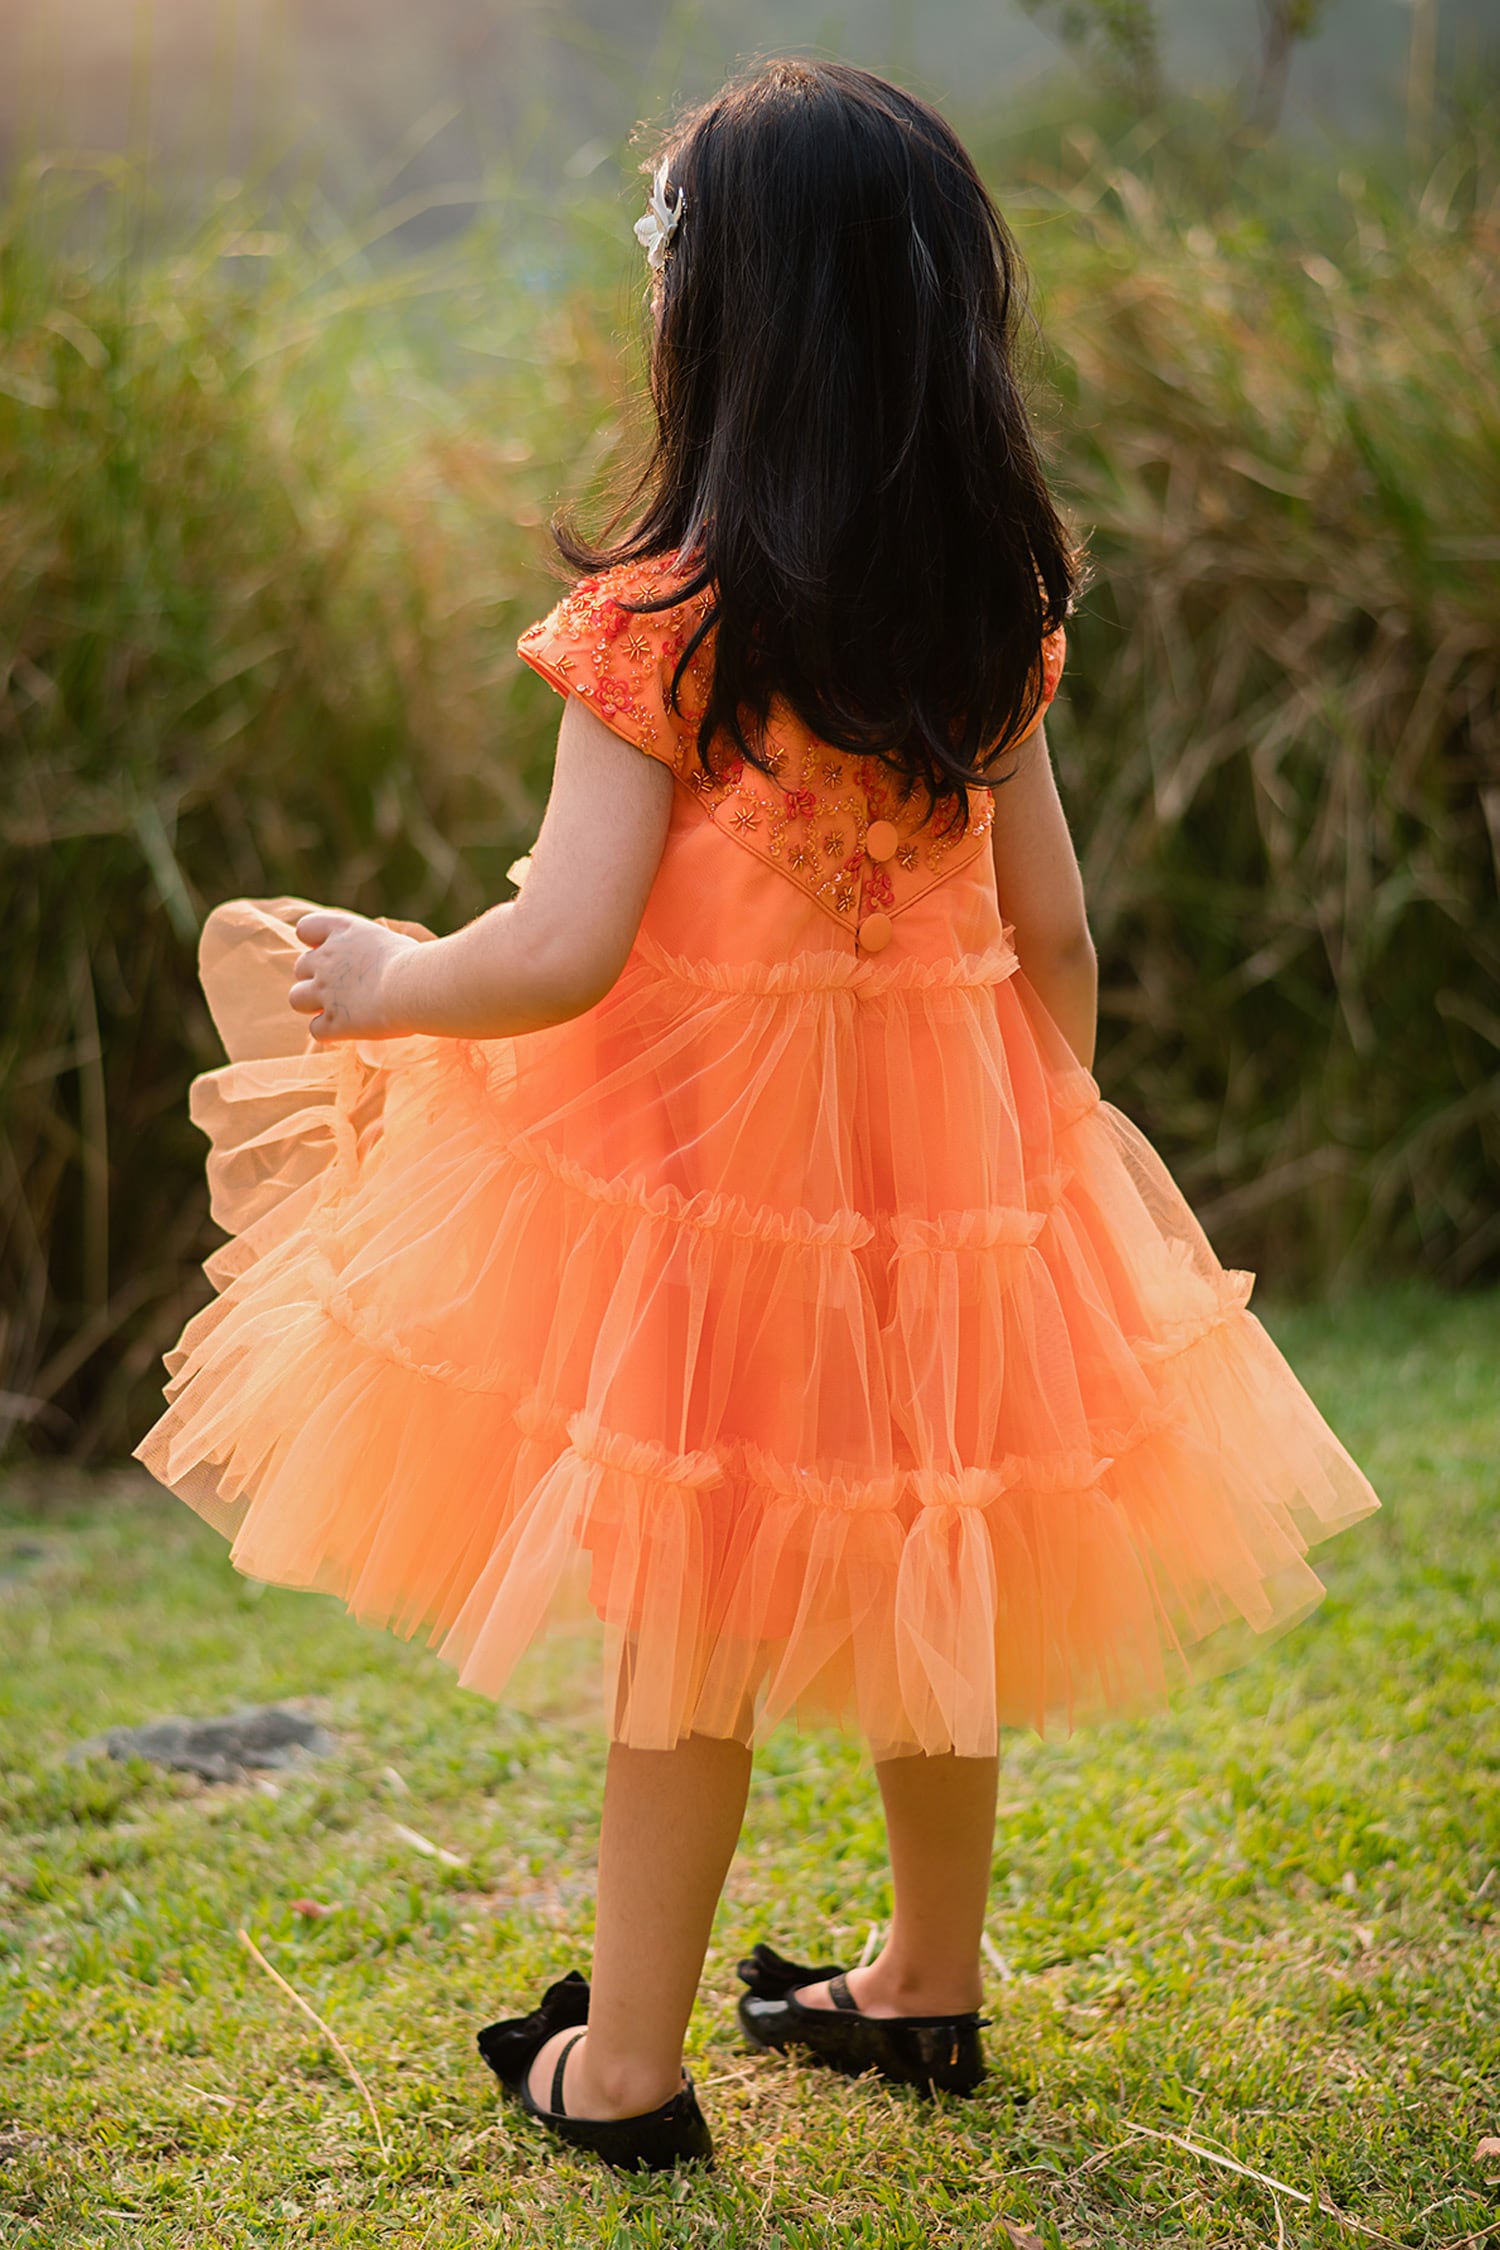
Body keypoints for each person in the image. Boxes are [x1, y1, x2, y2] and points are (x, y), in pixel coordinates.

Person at [136, 59, 1380, 2175]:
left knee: (689, 1601)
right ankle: (926, 1975)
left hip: (703, 1196)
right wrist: (1033, 1152)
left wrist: (377, 984)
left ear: (722, 323)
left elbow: (558, 949)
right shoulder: (994, 619)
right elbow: (1054, 932)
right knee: (935, 1552)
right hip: (951, 1181)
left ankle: (623, 2066)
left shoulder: (661, 625)